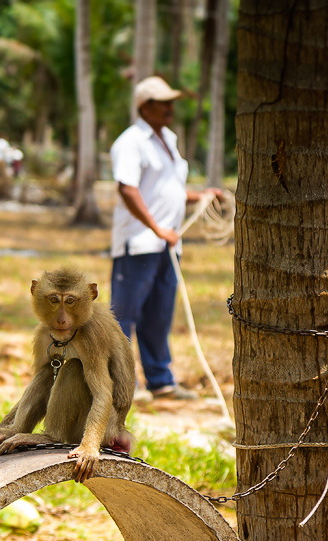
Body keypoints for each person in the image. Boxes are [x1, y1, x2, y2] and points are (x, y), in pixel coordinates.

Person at [109, 76, 219, 401]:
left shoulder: (167, 138)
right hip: (139, 243)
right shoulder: (130, 142)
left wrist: (200, 196)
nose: (171, 108)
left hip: (168, 244)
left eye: (172, 102)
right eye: (164, 103)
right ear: (145, 107)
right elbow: (127, 188)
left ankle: (160, 381)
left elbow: (166, 189)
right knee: (123, 316)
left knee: (159, 314)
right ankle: (124, 386)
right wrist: (156, 228)